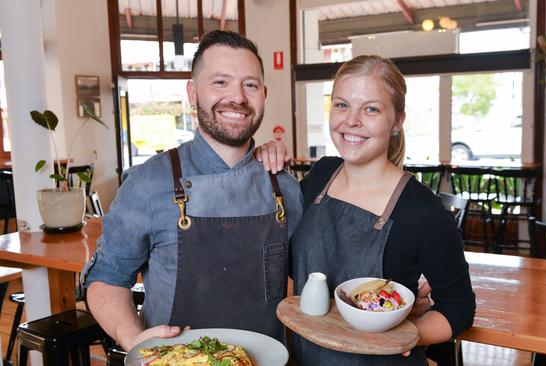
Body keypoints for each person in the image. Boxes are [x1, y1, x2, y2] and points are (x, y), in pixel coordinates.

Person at [81, 30, 302, 351]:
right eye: (220, 82)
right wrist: (132, 338)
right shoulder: (147, 184)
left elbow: (312, 278)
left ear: (264, 94)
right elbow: (107, 276)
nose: (237, 97)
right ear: (193, 92)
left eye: (250, 85)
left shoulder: (284, 186)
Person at [257, 55, 475, 365]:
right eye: (342, 105)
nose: (351, 121)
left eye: (371, 109)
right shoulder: (320, 176)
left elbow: (459, 310)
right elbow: (294, 265)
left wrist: (404, 334)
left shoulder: (422, 210)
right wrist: (264, 160)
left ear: (397, 120)